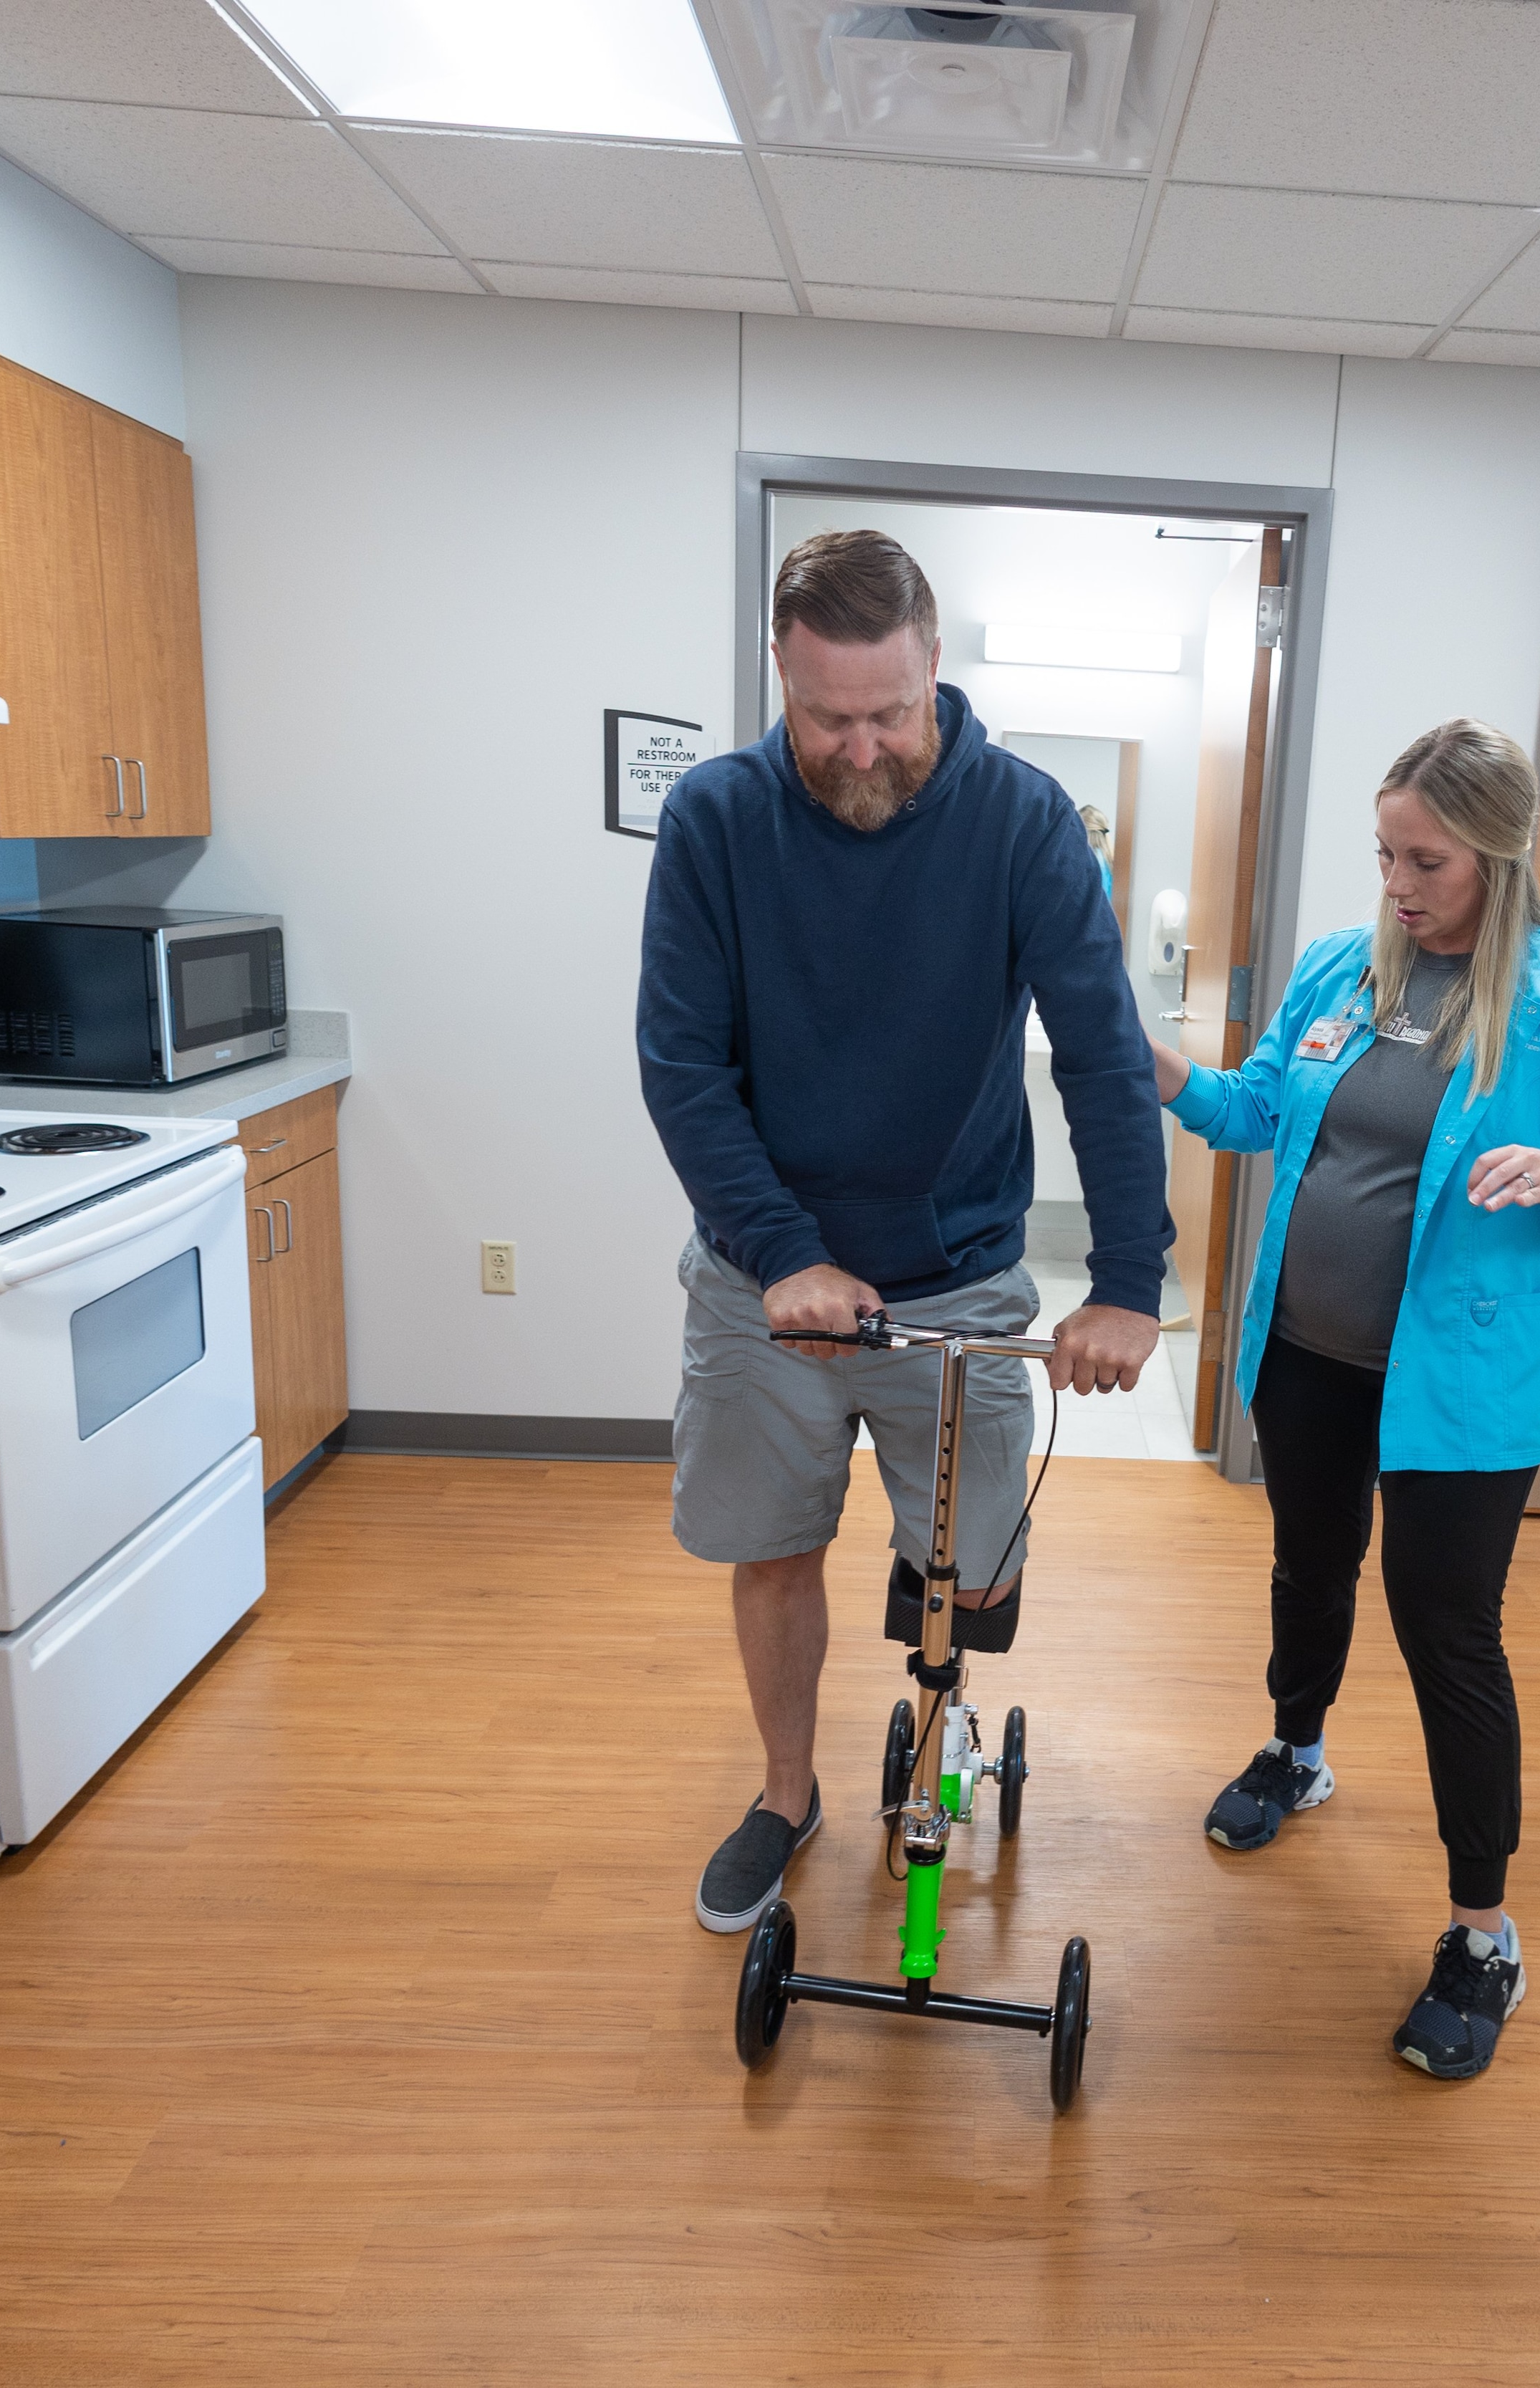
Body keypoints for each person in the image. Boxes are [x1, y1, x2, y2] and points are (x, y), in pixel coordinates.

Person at [640, 529, 1172, 1936]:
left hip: (961, 1275)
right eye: (830, 718)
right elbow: (682, 1065)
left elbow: (1103, 1055)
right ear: (782, 674)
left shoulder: (1024, 821)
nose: (864, 747)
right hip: (767, 1284)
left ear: (934, 662)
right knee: (772, 1549)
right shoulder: (716, 820)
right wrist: (783, 1250)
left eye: (891, 711)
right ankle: (785, 1793)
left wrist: (1127, 1279)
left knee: (972, 1575)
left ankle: (937, 1683)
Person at [1153, 717, 1540, 2079]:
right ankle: (1296, 1748)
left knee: (1449, 1631)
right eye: (1384, 854)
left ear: (1498, 852)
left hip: (1462, 1384)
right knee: (1308, 1565)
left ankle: (1484, 1932)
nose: (1398, 883)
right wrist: (1159, 1068)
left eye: (1426, 860)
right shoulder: (1343, 965)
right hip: (1309, 1352)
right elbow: (1257, 1111)